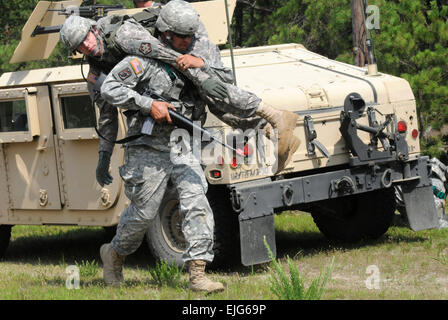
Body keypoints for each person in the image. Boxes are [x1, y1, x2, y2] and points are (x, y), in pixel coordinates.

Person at [58, 1, 300, 184]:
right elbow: (107, 114)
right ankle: (274, 132)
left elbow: (167, 54)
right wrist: (104, 155)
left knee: (212, 93)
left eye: (86, 37)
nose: (87, 45)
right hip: (166, 56)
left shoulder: (124, 36)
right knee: (209, 99)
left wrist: (201, 75)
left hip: (180, 37)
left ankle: (276, 116)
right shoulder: (96, 71)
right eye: (80, 46)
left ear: (93, 29)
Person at [98, 6, 226, 293]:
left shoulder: (195, 56)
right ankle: (115, 254)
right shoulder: (141, 61)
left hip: (182, 142)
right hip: (148, 146)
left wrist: (202, 65)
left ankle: (197, 273)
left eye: (190, 35)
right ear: (165, 33)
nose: (186, 40)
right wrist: (148, 105)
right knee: (143, 214)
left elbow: (224, 82)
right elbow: (110, 90)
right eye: (181, 36)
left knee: (197, 202)